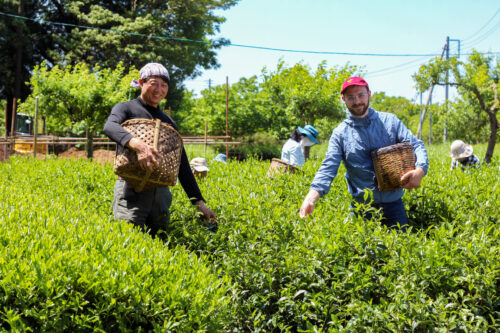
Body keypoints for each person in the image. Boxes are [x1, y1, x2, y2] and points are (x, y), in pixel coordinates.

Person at [299, 76, 429, 229]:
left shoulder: (390, 122)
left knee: (400, 248)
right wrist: (311, 198)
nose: (357, 101)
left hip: (394, 206)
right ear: (343, 99)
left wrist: (420, 170)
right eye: (351, 97)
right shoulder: (340, 133)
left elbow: (416, 145)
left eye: (361, 95)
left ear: (369, 94)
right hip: (361, 209)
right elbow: (328, 167)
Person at [103, 62, 216, 237]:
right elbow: (110, 126)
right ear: (141, 83)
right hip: (131, 187)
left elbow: (182, 166)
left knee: (160, 240)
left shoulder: (168, 122)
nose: (159, 90)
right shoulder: (126, 108)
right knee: (129, 238)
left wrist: (199, 204)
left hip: (160, 195)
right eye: (153, 83)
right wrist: (138, 145)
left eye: (164, 85)